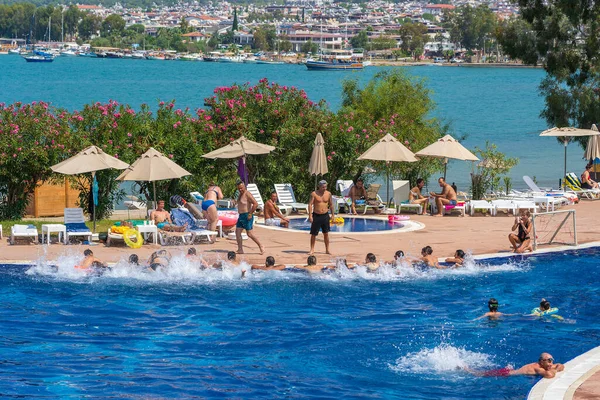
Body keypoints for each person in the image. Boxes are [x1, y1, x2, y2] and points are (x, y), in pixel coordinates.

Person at [473, 353, 564, 378]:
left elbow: (561, 365)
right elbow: (549, 375)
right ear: (541, 362)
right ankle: (465, 368)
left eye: (551, 361)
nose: (550, 364)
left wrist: (556, 367)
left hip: (510, 371)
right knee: (480, 374)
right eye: (547, 361)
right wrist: (555, 369)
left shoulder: (545, 366)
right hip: (506, 373)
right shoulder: (537, 368)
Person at [235, 181, 264, 255]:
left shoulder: (247, 194)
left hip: (247, 215)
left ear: (244, 186)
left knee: (249, 234)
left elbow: (255, 204)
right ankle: (240, 249)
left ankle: (260, 245)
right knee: (237, 233)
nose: (240, 190)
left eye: (241, 188)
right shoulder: (240, 195)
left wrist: (250, 213)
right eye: (239, 189)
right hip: (241, 216)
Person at [308, 180, 335, 255]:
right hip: (316, 215)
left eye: (325, 187)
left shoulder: (328, 193)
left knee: (326, 233)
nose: (324, 188)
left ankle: (327, 249)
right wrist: (310, 216)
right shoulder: (314, 194)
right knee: (313, 234)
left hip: (325, 215)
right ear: (319, 187)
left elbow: (331, 205)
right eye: (323, 187)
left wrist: (333, 215)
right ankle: (312, 249)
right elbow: (310, 204)